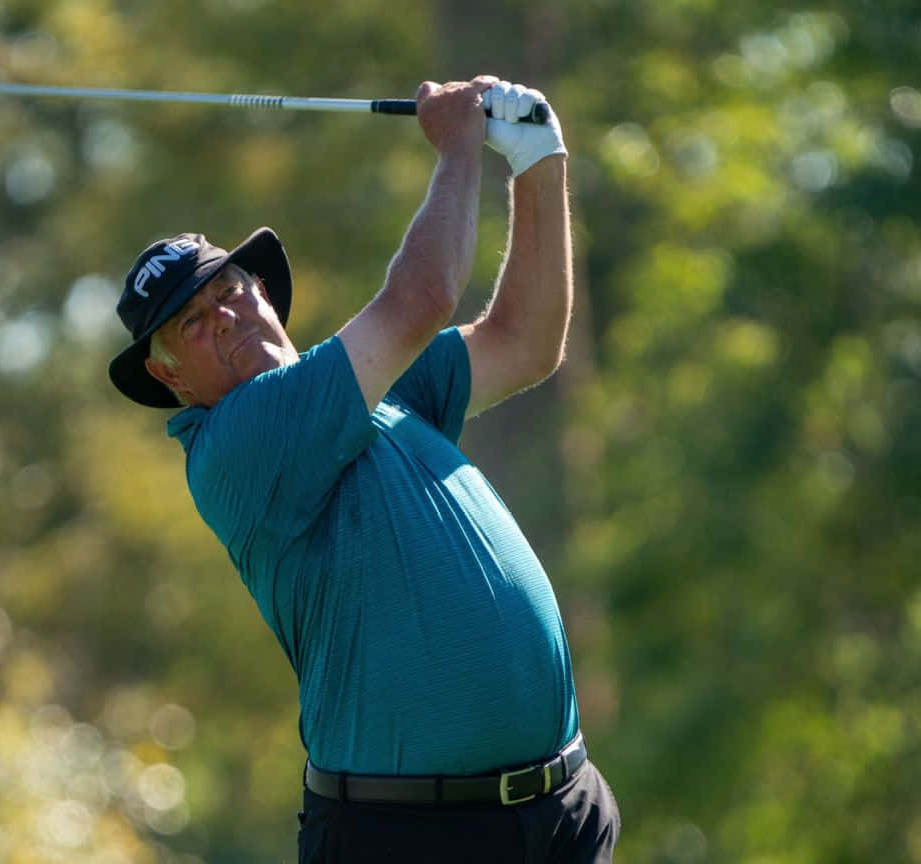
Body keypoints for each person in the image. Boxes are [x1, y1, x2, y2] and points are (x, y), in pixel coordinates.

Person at [108, 76, 619, 863]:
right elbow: (422, 299)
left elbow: (525, 341)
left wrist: (537, 158)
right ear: (172, 376)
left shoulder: (369, 390)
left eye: (233, 289)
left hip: (560, 811)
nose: (229, 315)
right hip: (407, 835)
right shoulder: (238, 440)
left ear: (268, 297)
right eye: (194, 323)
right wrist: (458, 147)